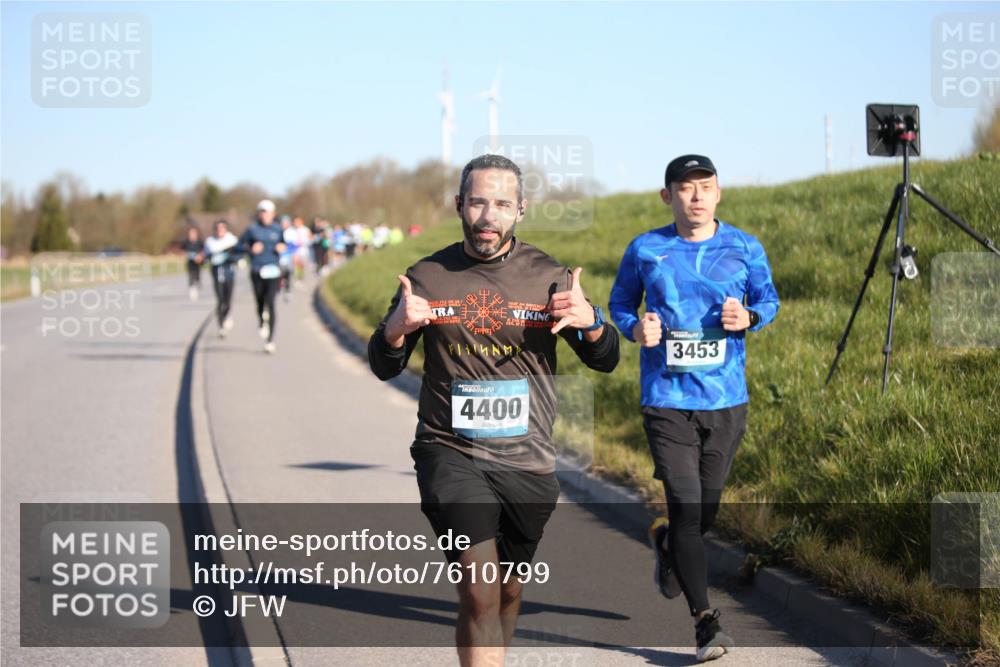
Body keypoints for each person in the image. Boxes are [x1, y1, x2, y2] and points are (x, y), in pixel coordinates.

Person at [368, 154, 620, 667]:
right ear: (459, 204)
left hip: (526, 458)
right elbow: (383, 364)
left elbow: (605, 358)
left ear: (521, 210)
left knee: (507, 590)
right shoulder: (428, 275)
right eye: (478, 202)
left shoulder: (549, 276)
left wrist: (590, 321)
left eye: (502, 204)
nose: (488, 216)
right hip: (449, 450)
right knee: (480, 592)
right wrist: (396, 328)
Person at [608, 154, 779, 662]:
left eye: (706, 187)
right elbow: (620, 303)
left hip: (726, 399)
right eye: (685, 188)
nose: (697, 197)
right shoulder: (646, 248)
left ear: (719, 193)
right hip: (666, 399)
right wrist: (636, 328)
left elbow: (769, 301)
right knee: (685, 507)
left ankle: (667, 548)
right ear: (668, 196)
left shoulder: (745, 247)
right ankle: (706, 623)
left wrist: (746, 315)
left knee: (703, 512)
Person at [239, 200, 286, 354]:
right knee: (260, 301)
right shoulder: (252, 229)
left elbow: (285, 244)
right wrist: (251, 248)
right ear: (259, 213)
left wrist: (282, 247)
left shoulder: (278, 229)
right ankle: (261, 319)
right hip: (257, 269)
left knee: (271, 302)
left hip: (273, 270)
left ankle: (270, 340)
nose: (265, 215)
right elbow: (239, 246)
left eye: (267, 212)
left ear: (273, 214)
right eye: (262, 212)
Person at [203, 219, 240, 337]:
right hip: (216, 272)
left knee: (228, 299)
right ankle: (221, 326)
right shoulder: (209, 241)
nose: (220, 231)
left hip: (229, 272)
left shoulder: (232, 240)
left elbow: (238, 254)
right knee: (220, 299)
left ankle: (227, 315)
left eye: (222, 228)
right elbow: (206, 256)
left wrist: (232, 258)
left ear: (226, 229)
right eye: (218, 229)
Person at [182, 226, 204, 301]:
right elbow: (183, 250)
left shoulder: (199, 242)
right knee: (191, 275)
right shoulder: (186, 242)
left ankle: (197, 284)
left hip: (198, 262)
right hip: (190, 261)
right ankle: (192, 289)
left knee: (197, 275)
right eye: (191, 233)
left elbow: (203, 250)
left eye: (194, 233)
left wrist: (200, 256)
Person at [279, 215, 295, 301]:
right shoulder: (277, 231)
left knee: (288, 274)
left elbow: (294, 245)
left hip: (288, 256)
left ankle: (288, 291)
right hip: (279, 257)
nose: (284, 224)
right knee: (279, 274)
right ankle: (280, 287)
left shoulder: (291, 232)